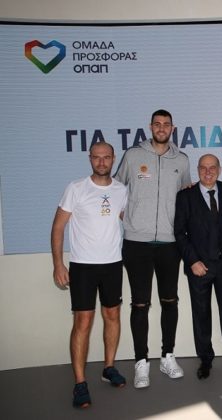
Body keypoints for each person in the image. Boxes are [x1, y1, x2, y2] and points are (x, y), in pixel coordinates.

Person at [115, 109, 192, 388]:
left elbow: (185, 196)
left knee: (170, 301)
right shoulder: (133, 155)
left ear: (172, 128)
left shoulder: (181, 160)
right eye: (157, 124)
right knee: (140, 303)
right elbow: (115, 188)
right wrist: (129, 217)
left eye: (166, 125)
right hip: (137, 243)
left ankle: (167, 356)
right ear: (150, 127)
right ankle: (141, 362)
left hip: (170, 244)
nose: (161, 128)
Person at [51, 142, 128, 408]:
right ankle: (80, 382)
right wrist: (58, 264)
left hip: (113, 264)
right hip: (83, 266)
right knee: (83, 322)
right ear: (90, 159)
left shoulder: (121, 190)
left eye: (106, 157)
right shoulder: (76, 188)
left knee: (112, 315)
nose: (102, 162)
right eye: (97, 157)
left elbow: (129, 219)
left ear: (113, 159)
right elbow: (58, 227)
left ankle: (109, 367)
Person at [174, 154, 222, 379]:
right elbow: (179, 233)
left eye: (212, 167)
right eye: (203, 168)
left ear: (219, 170)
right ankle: (205, 359)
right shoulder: (185, 196)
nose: (208, 172)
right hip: (199, 267)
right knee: (201, 314)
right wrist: (192, 261)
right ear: (197, 170)